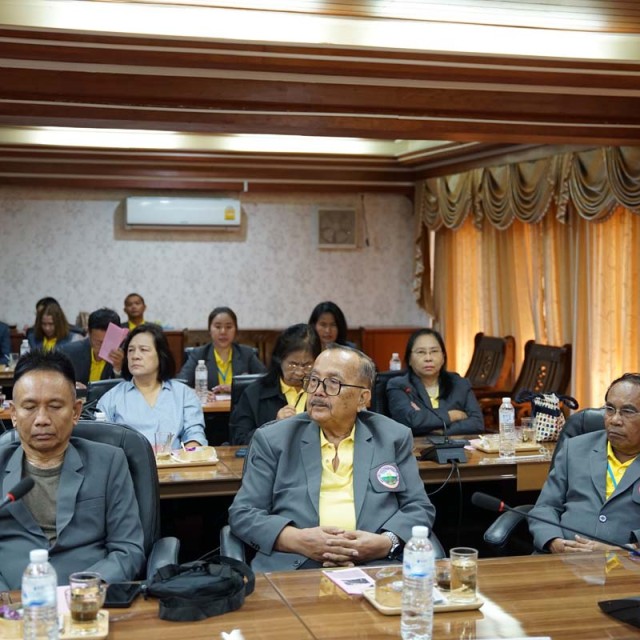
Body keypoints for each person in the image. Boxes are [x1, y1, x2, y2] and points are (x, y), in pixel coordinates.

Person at [228, 345, 435, 572]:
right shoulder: (274, 439)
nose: (318, 391)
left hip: (376, 566)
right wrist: (298, 540)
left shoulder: (392, 437)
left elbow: (418, 507)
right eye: (314, 380)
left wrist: (385, 543)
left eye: (333, 383)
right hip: (296, 565)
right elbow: (243, 514)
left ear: (363, 398)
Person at [0, 349, 145, 590]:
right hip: (11, 603)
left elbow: (128, 549)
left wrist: (83, 590)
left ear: (76, 411)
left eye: (55, 406)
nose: (42, 419)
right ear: (14, 414)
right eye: (30, 407)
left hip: (89, 599)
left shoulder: (109, 462)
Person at [529, 373, 640, 553]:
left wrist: (624, 550)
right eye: (610, 409)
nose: (615, 420)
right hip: (560, 559)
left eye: (627, 411)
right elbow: (545, 507)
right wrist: (554, 541)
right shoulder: (574, 448)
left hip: (627, 564)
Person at [98, 323, 207, 448]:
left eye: (143, 350)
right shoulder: (111, 398)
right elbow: (101, 443)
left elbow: (195, 435)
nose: (135, 356)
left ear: (160, 355)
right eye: (131, 350)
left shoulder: (183, 394)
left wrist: (188, 454)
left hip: (175, 460)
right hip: (128, 461)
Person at [230, 324, 321, 445]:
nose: (299, 372)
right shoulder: (255, 393)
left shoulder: (324, 393)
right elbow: (239, 440)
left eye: (307, 365)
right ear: (279, 360)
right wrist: (274, 426)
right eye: (293, 364)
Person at [386, 328, 484, 436]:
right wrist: (452, 416)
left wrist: (442, 431)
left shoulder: (459, 384)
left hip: (455, 445)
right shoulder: (399, 385)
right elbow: (410, 421)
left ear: (443, 357)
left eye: (434, 351)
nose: (428, 358)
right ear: (409, 359)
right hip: (416, 446)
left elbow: (477, 423)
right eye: (421, 352)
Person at [178, 307, 265, 395]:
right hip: (209, 403)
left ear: (236, 330)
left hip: (239, 403)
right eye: (218, 327)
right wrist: (199, 393)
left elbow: (266, 381)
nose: (223, 332)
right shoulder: (198, 354)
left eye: (229, 327)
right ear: (210, 330)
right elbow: (180, 385)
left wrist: (236, 388)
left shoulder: (246, 354)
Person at [60, 308, 124, 388]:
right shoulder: (69, 353)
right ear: (89, 334)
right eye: (98, 342)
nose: (103, 346)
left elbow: (125, 388)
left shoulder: (126, 355)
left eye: (108, 342)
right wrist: (72, 386)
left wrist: (118, 369)